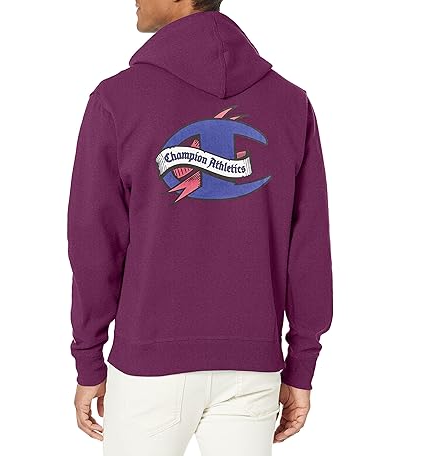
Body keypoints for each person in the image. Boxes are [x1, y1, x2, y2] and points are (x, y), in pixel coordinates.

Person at [67, 1, 333, 455]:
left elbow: (95, 245)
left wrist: (89, 359)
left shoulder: (117, 99)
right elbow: (308, 248)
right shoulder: (290, 103)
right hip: (252, 368)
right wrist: (301, 365)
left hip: (149, 368)